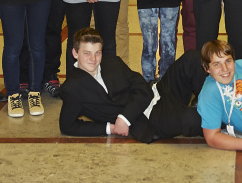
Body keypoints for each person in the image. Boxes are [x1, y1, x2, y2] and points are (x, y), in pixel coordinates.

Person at [59, 28, 206, 140]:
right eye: (87, 53)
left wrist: (124, 118)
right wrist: (110, 128)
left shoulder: (112, 62)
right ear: (75, 53)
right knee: (192, 119)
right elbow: (67, 126)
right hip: (149, 117)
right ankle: (226, 123)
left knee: (193, 58)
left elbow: (143, 87)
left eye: (97, 52)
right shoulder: (72, 88)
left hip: (157, 92)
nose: (93, 58)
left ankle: (213, 103)